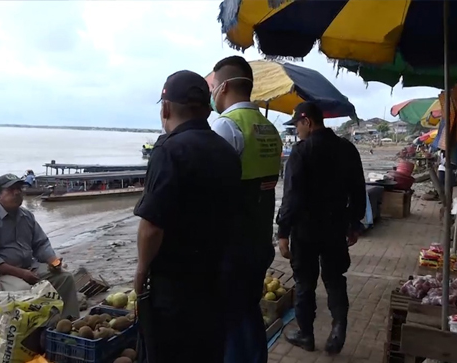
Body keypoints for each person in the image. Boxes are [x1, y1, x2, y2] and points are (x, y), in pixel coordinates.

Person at [133, 70, 242, 363]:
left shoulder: (169, 150)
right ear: (207, 109)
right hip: (216, 280)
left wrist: (141, 271)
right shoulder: (227, 151)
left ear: (166, 108)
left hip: (175, 288)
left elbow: (152, 226)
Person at [276, 102, 366, 354]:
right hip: (335, 227)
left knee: (305, 284)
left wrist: (282, 232)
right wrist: (354, 223)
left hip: (305, 231)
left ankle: (306, 335)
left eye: (297, 124)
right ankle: (338, 328)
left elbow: (291, 197)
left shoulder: (301, 152)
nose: (297, 130)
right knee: (335, 279)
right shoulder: (347, 149)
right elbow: (358, 191)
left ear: (307, 121)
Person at [209, 55, 282, 363]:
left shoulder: (226, 127)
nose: (211, 93)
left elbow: (211, 188)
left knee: (230, 319)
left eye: (212, 86)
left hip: (232, 242)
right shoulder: (269, 129)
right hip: (260, 235)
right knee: (248, 310)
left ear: (223, 86)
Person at [0, 174, 79, 318]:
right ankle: (34, 332)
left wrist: (54, 261)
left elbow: (41, 244)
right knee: (28, 291)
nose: (17, 192)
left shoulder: (26, 216)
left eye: (19, 188)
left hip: (28, 267)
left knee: (65, 277)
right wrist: (22, 274)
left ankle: (67, 323)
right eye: (10, 190)